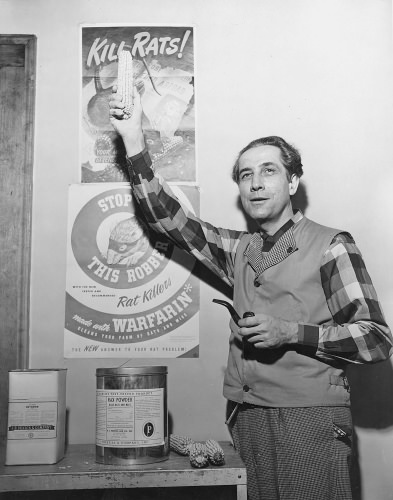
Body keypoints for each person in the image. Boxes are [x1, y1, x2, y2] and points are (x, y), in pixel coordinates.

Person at [109, 87, 393, 500]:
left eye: (269, 171)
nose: (256, 184)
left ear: (293, 180)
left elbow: (376, 339)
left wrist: (292, 332)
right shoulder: (239, 248)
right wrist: (133, 140)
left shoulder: (332, 245)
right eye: (246, 175)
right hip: (247, 416)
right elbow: (170, 221)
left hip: (309, 420)